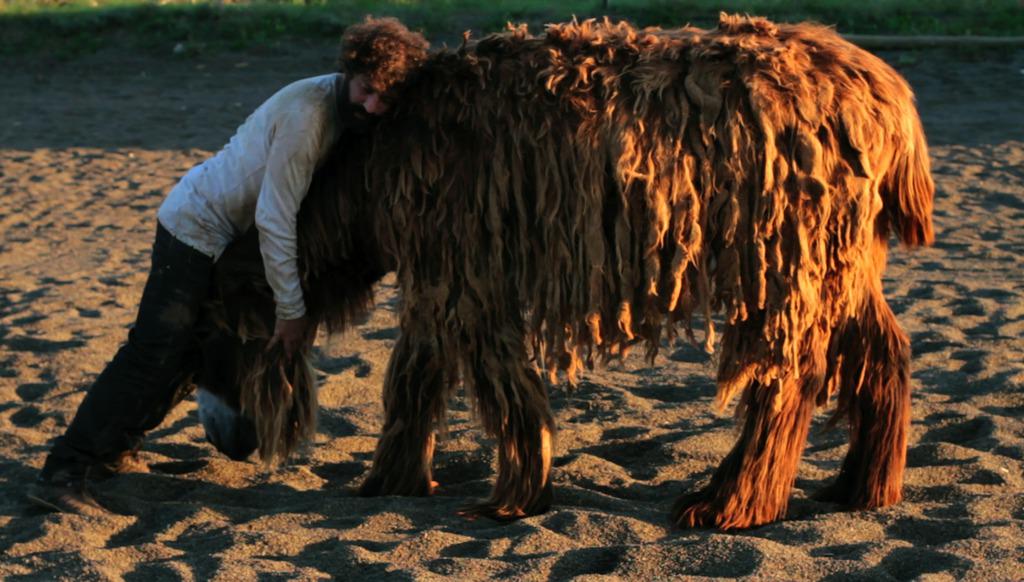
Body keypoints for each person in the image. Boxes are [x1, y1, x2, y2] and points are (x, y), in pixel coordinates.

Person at [28, 17, 429, 515]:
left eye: (385, 99)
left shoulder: (348, 115)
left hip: (223, 238)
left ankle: (115, 448)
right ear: (349, 72)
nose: (372, 106)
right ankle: (64, 469)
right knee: (153, 351)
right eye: (367, 90)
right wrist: (291, 310)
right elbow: (274, 218)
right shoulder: (310, 116)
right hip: (194, 228)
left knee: (187, 353)